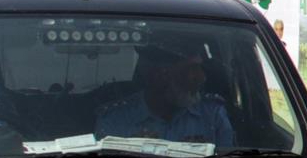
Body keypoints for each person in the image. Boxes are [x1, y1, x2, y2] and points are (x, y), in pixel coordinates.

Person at [96, 35, 236, 146]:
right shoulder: (117, 120)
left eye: (200, 68)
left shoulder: (212, 116)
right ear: (160, 75)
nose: (201, 78)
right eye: (191, 69)